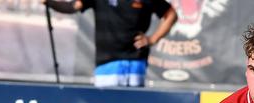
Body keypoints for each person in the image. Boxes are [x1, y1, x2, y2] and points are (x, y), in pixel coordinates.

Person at [44, 0, 177, 87]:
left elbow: (171, 14)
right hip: (107, 65)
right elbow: (72, 6)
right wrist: (49, 2)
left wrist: (152, 39)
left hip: (135, 63)